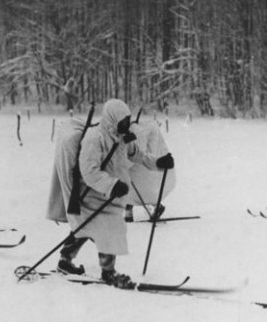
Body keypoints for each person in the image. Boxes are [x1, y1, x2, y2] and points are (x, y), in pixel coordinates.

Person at [46, 99, 174, 288]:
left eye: (128, 120)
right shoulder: (94, 138)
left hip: (110, 193)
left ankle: (65, 262)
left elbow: (136, 154)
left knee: (84, 227)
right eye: (123, 121)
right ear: (113, 119)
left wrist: (158, 163)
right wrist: (112, 185)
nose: (127, 124)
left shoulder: (121, 136)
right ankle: (109, 272)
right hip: (92, 193)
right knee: (108, 228)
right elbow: (89, 172)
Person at [124, 118, 176, 222]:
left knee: (141, 184)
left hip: (143, 158)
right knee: (130, 183)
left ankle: (156, 207)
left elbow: (142, 148)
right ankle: (129, 210)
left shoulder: (143, 127)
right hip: (136, 157)